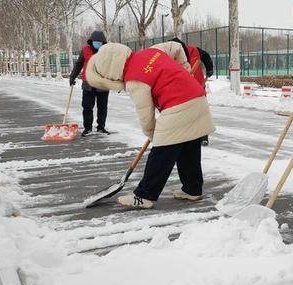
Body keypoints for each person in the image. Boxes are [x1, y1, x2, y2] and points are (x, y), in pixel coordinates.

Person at [86, 43, 215, 208]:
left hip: (178, 105)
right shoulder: (152, 51)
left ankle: (144, 195)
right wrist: (185, 67)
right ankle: (192, 189)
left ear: (110, 72)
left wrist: (156, 138)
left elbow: (146, 115)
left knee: (161, 153)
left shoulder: (134, 79)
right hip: (197, 98)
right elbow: (176, 47)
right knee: (189, 146)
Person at [171, 37, 214, 146]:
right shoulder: (170, 56)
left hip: (198, 86)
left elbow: (207, 57)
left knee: (201, 113)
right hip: (182, 90)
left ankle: (203, 137)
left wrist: (209, 68)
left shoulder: (195, 51)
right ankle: (187, 136)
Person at [70, 30, 110, 137]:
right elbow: (79, 64)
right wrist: (72, 76)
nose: (97, 43)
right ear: (91, 41)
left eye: (100, 42)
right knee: (87, 107)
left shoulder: (107, 51)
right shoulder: (85, 50)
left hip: (103, 84)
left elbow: (114, 66)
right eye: (95, 41)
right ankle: (87, 128)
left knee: (102, 107)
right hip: (88, 84)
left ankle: (101, 127)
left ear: (103, 42)